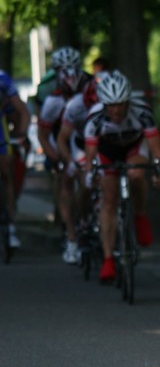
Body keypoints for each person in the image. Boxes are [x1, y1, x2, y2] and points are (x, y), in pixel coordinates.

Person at [83, 71, 160, 283]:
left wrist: (158, 172)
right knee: (109, 199)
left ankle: (140, 214)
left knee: (136, 173)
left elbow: (156, 150)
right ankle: (108, 259)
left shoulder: (143, 113)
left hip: (133, 148)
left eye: (121, 104)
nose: (116, 110)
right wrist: (90, 175)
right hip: (107, 152)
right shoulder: (94, 118)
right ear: (103, 104)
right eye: (111, 105)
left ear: (128, 101)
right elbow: (90, 155)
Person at [37, 46, 92, 264]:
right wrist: (57, 159)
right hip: (59, 139)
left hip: (84, 138)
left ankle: (88, 216)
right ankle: (71, 237)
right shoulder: (51, 98)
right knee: (65, 181)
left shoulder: (90, 88)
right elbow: (43, 135)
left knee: (89, 180)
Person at [57, 78, 101, 254]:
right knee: (85, 182)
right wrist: (69, 161)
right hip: (81, 144)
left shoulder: (109, 107)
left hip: (103, 142)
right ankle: (82, 219)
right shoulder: (74, 107)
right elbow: (62, 139)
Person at [0, 69, 31, 249]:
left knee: (8, 170)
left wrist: (21, 135)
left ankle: (11, 226)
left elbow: (23, 112)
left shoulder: (3, 78)